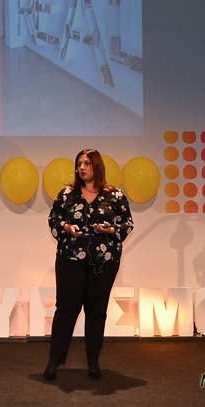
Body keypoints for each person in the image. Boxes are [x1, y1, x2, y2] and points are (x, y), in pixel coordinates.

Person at [43, 148, 134, 380]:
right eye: (79, 164)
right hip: (70, 260)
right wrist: (66, 227)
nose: (82, 167)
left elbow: (127, 224)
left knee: (96, 312)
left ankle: (93, 362)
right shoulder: (67, 194)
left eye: (87, 163)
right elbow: (54, 219)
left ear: (97, 166)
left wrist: (111, 229)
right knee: (66, 310)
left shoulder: (115, 195)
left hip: (104, 263)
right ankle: (54, 361)